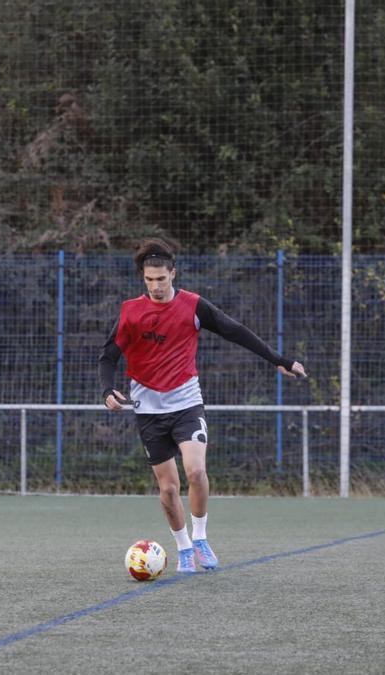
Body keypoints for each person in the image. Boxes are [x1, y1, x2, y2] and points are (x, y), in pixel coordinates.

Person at [99, 239, 307, 574]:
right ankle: (182, 549)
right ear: (143, 278)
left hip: (186, 403)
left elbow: (235, 331)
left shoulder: (193, 306)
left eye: (161, 279)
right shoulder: (131, 312)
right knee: (168, 488)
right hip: (149, 410)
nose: (155, 286)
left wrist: (277, 360)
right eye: (149, 280)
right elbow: (108, 355)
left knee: (195, 471)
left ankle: (200, 538)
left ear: (173, 274)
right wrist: (108, 389)